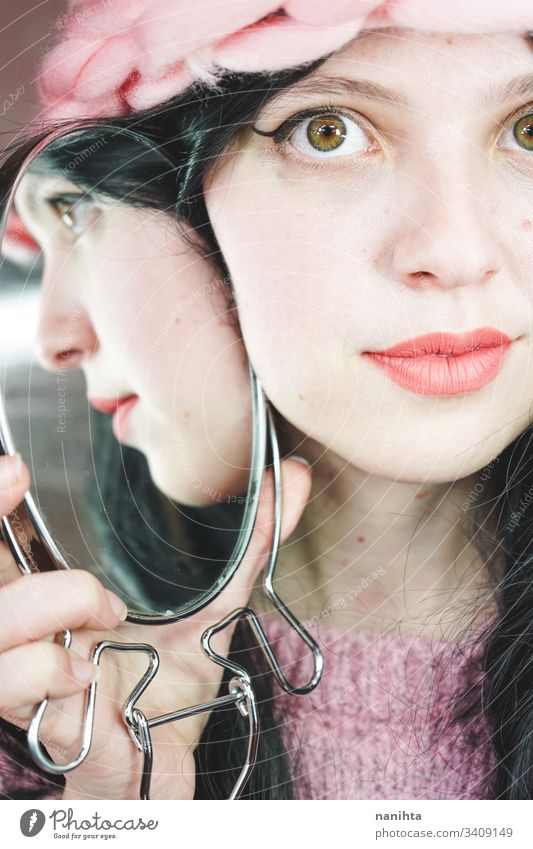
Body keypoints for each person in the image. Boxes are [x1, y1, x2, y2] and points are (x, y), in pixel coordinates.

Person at [1, 1, 533, 800]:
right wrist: (121, 812)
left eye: (529, 131)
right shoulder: (39, 705)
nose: (453, 252)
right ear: (176, 210)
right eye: (327, 130)